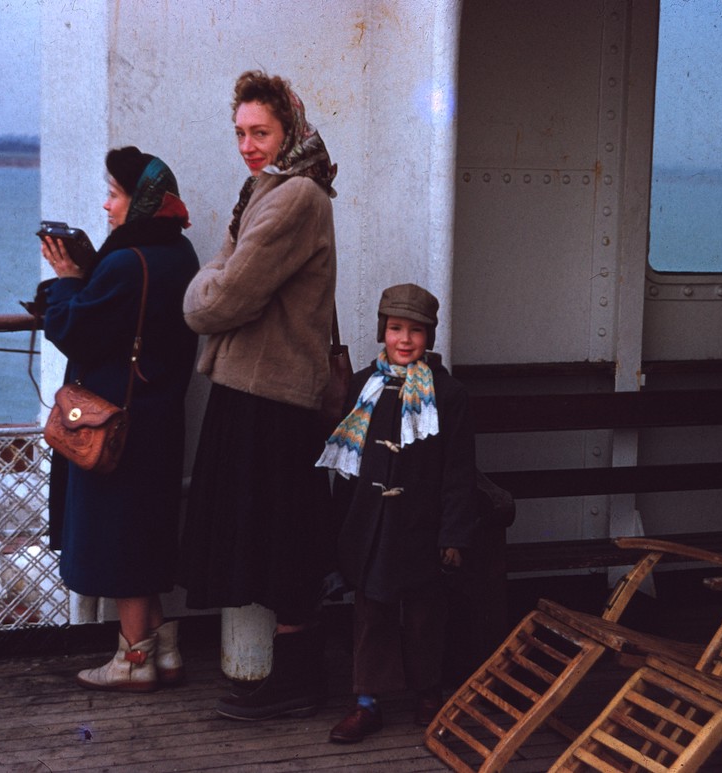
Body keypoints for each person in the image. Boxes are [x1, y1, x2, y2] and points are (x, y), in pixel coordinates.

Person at [180, 70, 338, 720]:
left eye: (260, 131)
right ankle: (288, 678)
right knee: (269, 537)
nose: (247, 144)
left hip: (273, 399)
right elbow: (222, 279)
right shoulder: (264, 188)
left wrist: (199, 290)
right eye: (241, 131)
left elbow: (216, 299)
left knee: (281, 540)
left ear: (288, 130)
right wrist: (212, 280)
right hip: (255, 391)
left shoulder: (294, 196)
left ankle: (298, 681)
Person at [41, 147, 199, 692]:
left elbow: (76, 328)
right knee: (146, 530)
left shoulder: (127, 260)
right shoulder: (179, 252)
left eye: (114, 194)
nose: (106, 206)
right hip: (158, 417)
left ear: (141, 203)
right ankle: (165, 648)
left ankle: (133, 661)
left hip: (114, 425)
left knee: (121, 536)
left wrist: (65, 278)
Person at [316, 283, 477, 744]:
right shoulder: (364, 386)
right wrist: (340, 532)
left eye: (416, 331)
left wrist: (454, 534)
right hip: (371, 525)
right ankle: (367, 701)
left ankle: (428, 692)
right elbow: (347, 464)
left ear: (430, 335)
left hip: (423, 525)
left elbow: (459, 470)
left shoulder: (448, 394)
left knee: (426, 612)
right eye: (395, 328)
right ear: (382, 331)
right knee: (371, 612)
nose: (404, 340)